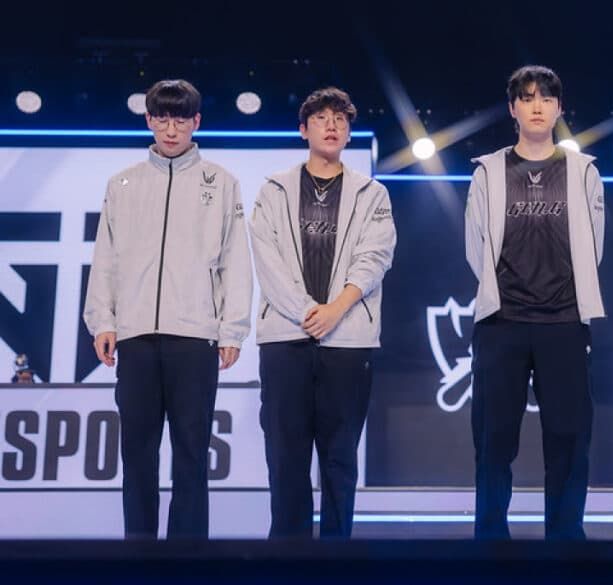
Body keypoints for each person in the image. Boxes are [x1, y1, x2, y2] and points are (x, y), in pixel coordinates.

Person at [83, 79, 252, 539]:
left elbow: (235, 260)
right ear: (149, 120)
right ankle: (138, 552)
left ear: (196, 121)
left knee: (192, 453)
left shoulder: (221, 182)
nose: (171, 130)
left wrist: (232, 329)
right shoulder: (123, 184)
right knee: (137, 453)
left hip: (195, 337)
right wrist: (102, 321)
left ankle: (188, 556)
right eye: (162, 119)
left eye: (180, 120)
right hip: (135, 336)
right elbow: (105, 257)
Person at [465, 65, 605, 540]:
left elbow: (593, 245)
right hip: (501, 322)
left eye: (546, 98)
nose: (537, 106)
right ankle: (490, 542)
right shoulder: (488, 171)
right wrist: (501, 293)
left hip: (564, 321)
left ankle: (565, 543)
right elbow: (475, 245)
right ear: (513, 109)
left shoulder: (583, 171)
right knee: (494, 440)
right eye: (527, 98)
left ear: (559, 108)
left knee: (568, 440)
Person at [250, 87, 396, 539]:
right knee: (285, 458)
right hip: (285, 338)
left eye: (340, 120)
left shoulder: (372, 193)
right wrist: (308, 311)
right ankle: (286, 556)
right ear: (303, 130)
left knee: (339, 458)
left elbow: (375, 257)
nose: (331, 126)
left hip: (347, 340)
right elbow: (267, 258)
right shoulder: (273, 190)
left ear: (348, 133)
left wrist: (336, 310)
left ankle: (337, 557)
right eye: (321, 118)